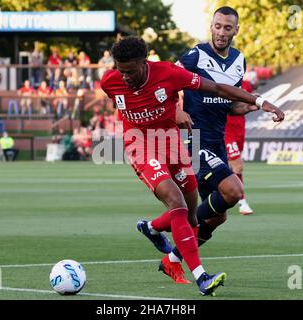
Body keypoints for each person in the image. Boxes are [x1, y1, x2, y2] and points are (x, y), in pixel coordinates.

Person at [100, 36, 284, 296]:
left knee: (191, 216)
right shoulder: (109, 81)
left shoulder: (169, 73)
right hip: (140, 144)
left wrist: (260, 102)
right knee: (175, 200)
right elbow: (124, 101)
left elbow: (218, 89)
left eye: (130, 71)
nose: (125, 77)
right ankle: (201, 277)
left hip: (172, 143)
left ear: (145, 62)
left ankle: (152, 230)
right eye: (121, 70)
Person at [163, 6, 283, 284]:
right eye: (217, 26)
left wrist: (250, 108)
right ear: (212, 26)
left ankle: (172, 257)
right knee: (233, 190)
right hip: (196, 140)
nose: (221, 32)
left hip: (217, 140)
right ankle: (165, 231)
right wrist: (176, 111)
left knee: (217, 218)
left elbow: (228, 104)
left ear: (235, 30)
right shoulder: (196, 54)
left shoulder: (239, 60)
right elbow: (167, 81)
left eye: (227, 28)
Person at [225, 80, 254, 215]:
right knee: (238, 165)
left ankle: (223, 194)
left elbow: (247, 105)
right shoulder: (221, 82)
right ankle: (242, 202)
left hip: (239, 130)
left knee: (231, 167)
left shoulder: (247, 84)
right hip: (226, 131)